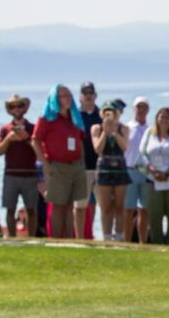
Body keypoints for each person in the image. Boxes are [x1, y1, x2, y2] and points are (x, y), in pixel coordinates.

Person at [32, 84, 87, 239]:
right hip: (57, 166)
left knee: (70, 205)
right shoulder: (46, 119)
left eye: (69, 95)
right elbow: (35, 141)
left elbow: (80, 141)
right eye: (63, 96)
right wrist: (45, 164)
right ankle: (56, 239)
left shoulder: (74, 118)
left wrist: (81, 163)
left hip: (76, 166)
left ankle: (70, 240)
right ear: (56, 99)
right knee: (57, 206)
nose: (67, 99)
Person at [141, 107, 169, 245]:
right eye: (161, 117)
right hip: (153, 180)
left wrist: (167, 173)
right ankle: (157, 246)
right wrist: (153, 171)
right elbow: (142, 153)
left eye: (167, 117)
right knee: (155, 216)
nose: (164, 120)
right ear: (156, 119)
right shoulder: (149, 133)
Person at [0, 94, 37, 237]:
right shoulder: (5, 129)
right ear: (9, 109)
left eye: (19, 105)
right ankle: (13, 239)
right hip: (10, 175)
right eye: (13, 106)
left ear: (24, 108)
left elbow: (39, 151)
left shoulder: (32, 127)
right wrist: (9, 139)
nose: (16, 109)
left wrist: (26, 137)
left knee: (32, 209)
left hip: (30, 175)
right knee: (10, 209)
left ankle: (31, 238)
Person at [92, 101, 131, 241]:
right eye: (106, 111)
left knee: (119, 206)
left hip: (119, 167)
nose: (109, 114)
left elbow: (125, 146)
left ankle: (119, 235)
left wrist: (114, 133)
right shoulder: (97, 128)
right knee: (106, 207)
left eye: (111, 111)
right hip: (104, 168)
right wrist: (105, 131)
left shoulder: (124, 128)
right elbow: (98, 149)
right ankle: (106, 236)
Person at [75, 81, 101, 240]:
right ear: (80, 97)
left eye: (91, 92)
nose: (88, 96)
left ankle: (90, 234)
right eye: (85, 93)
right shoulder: (75, 115)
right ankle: (80, 239)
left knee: (95, 204)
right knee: (79, 205)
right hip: (80, 167)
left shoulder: (102, 115)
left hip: (99, 166)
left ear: (95, 95)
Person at [123, 96, 150, 244]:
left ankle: (142, 242)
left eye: (144, 107)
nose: (141, 110)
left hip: (146, 172)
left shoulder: (151, 130)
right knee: (128, 209)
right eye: (138, 107)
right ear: (134, 109)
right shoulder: (127, 127)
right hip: (130, 171)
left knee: (144, 210)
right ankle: (127, 241)